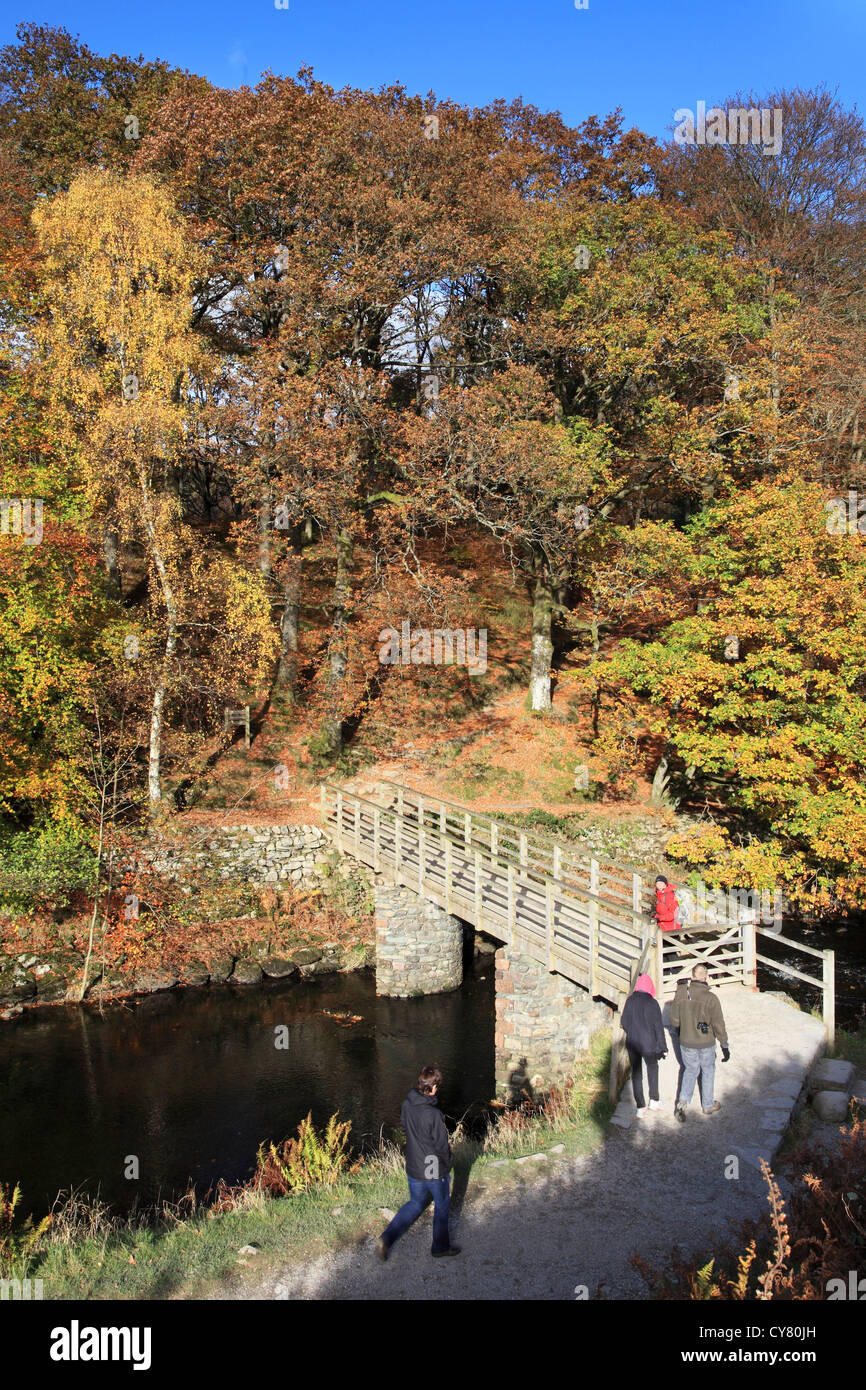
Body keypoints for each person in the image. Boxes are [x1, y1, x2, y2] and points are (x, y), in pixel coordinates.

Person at [376, 1065, 460, 1261]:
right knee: (441, 1204)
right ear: (432, 1088)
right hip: (431, 1165)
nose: (437, 1090)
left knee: (415, 1202)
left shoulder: (407, 1103)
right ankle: (440, 1247)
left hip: (413, 1162)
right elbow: (441, 1145)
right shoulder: (433, 1114)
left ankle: (386, 1239)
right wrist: (448, 1162)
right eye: (437, 1086)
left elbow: (405, 1126)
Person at [669, 963, 730, 1121]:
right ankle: (708, 1105)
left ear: (692, 977)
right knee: (708, 1070)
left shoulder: (682, 993)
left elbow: (674, 1019)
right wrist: (724, 1045)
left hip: (686, 1041)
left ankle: (682, 1104)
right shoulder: (711, 998)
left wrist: (679, 1030)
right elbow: (718, 1024)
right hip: (706, 1042)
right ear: (707, 978)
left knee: (690, 1070)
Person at [620, 973, 667, 1115]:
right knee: (652, 1068)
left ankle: (640, 1106)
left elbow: (624, 1023)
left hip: (633, 1043)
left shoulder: (630, 1001)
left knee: (636, 1073)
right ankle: (654, 1100)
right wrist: (663, 1047)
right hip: (649, 1044)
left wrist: (632, 1032)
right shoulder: (652, 1003)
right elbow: (659, 1028)